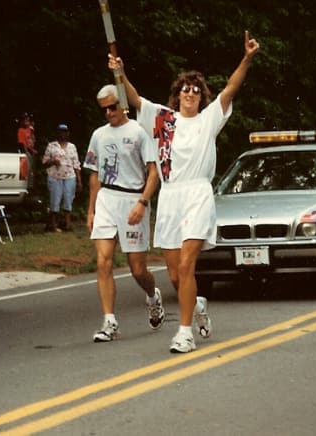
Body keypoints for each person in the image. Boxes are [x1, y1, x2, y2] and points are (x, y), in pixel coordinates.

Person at [108, 31, 260, 354]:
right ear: (177, 96)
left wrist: (246, 58)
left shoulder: (209, 120)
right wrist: (119, 73)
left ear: (200, 97)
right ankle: (198, 303)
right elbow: (133, 99)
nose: (190, 93)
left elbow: (231, 88)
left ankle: (184, 333)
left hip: (198, 195)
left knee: (188, 266)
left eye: (195, 90)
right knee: (176, 277)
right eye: (184, 90)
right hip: (171, 197)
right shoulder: (163, 120)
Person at [84, 85, 165, 343]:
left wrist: (142, 203)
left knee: (137, 269)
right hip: (107, 198)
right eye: (104, 109)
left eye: (112, 106)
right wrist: (91, 210)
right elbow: (95, 175)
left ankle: (153, 296)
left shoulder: (139, 133)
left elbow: (153, 173)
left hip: (132, 199)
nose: (109, 113)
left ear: (122, 105)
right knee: (103, 261)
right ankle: (109, 321)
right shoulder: (99, 135)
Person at [41, 123, 82, 232]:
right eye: (60, 132)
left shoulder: (72, 147)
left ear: (68, 133)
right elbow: (44, 162)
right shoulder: (51, 146)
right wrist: (53, 161)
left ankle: (67, 224)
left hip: (70, 176)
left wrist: (79, 181)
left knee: (68, 200)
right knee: (55, 200)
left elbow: (76, 164)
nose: (62, 134)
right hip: (55, 177)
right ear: (57, 133)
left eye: (65, 132)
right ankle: (53, 225)